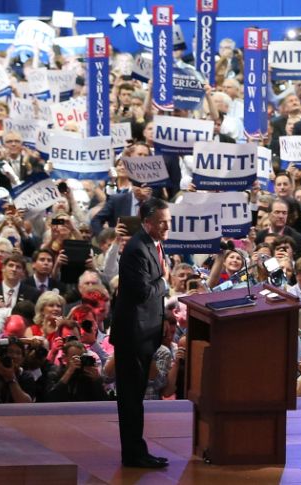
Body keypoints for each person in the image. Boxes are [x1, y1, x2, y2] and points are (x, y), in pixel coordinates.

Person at [109, 197, 171, 468]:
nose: (167, 226)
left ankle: (137, 450)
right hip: (133, 336)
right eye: (162, 222)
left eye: (169, 221)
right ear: (147, 222)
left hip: (145, 333)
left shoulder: (154, 243)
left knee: (136, 397)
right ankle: (133, 454)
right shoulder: (137, 249)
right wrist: (165, 282)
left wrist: (165, 315)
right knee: (131, 399)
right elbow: (144, 291)